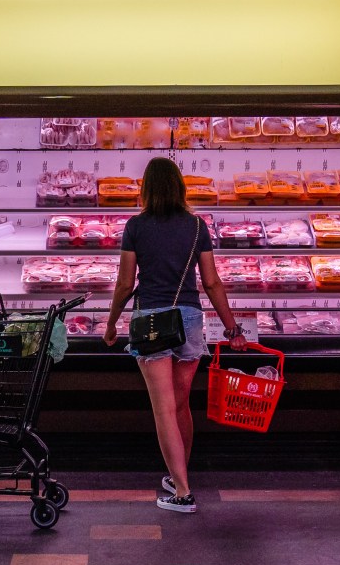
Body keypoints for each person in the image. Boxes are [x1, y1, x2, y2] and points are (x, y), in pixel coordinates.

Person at [104, 157, 247, 513]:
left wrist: (111, 323)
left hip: (152, 321)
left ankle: (182, 492)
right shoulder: (198, 226)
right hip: (190, 320)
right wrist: (232, 329)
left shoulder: (135, 226)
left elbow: (124, 284)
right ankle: (179, 474)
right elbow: (212, 283)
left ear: (146, 189)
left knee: (164, 409)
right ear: (180, 187)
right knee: (181, 405)